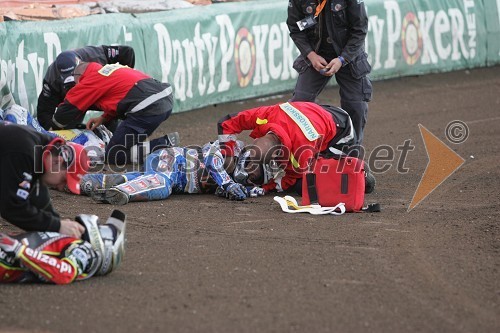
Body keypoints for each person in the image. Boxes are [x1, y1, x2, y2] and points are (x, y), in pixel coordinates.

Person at [217, 101, 375, 193]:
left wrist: (264, 188)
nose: (251, 169)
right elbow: (227, 122)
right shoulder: (266, 115)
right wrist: (228, 157)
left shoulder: (300, 156)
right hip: (320, 111)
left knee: (307, 186)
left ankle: (362, 171)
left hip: (341, 133)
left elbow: (289, 181)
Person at [51, 61, 178, 165]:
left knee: (113, 155)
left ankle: (163, 144)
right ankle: (156, 146)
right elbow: (121, 95)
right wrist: (103, 118)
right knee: (126, 145)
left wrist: (53, 130)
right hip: (163, 99)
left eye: (75, 80)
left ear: (80, 75)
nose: (75, 83)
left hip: (147, 106)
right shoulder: (110, 69)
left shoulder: (90, 79)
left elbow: (65, 111)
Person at [287, 0, 372, 147]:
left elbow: (360, 30)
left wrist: (342, 59)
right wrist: (310, 55)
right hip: (316, 54)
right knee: (298, 105)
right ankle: (301, 151)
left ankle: (352, 155)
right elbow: (295, 27)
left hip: (349, 55)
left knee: (355, 107)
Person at [80, 140, 258, 205]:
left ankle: (95, 181)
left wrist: (243, 191)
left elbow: (223, 188)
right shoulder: (229, 147)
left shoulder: (232, 181)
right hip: (171, 158)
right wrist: (229, 183)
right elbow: (212, 159)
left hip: (168, 171)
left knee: (151, 179)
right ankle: (123, 192)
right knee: (163, 185)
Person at [0, 122, 89, 238]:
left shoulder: (43, 148)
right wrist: (57, 226)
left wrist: (59, 224)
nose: (61, 187)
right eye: (64, 180)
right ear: (58, 161)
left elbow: (38, 195)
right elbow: (11, 206)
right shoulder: (25, 151)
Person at [0, 210, 126, 285]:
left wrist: (19, 250)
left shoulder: (86, 251)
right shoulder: (73, 242)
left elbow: (65, 272)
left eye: (103, 230)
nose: (99, 227)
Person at [37, 45, 136, 130]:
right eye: (70, 82)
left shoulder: (94, 55)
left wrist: (124, 76)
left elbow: (127, 52)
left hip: (98, 93)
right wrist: (49, 133)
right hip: (72, 102)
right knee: (64, 125)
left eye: (76, 76)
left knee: (116, 109)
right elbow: (44, 110)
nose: (75, 82)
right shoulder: (52, 79)